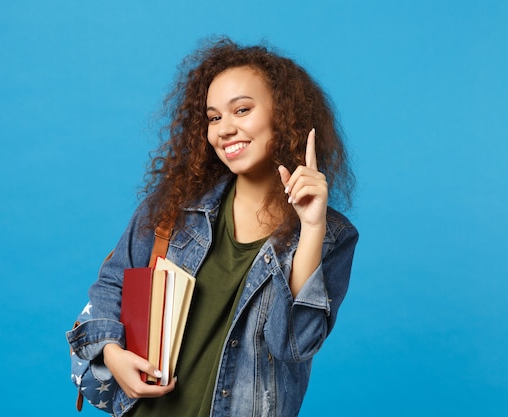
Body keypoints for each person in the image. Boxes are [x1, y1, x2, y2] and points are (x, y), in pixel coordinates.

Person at [67, 37, 359, 417]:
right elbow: (112, 282)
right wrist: (112, 354)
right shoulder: (174, 206)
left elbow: (292, 345)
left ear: (284, 114)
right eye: (214, 117)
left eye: (242, 110)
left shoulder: (332, 235)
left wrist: (312, 227)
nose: (224, 129)